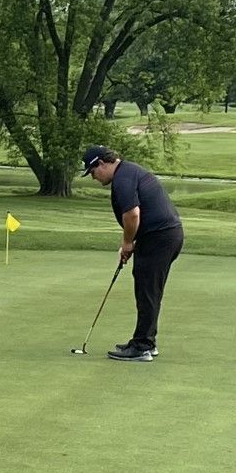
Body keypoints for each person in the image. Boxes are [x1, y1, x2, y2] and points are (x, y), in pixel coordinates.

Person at [80, 145, 184, 362]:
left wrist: (127, 243)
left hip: (160, 237)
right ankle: (145, 341)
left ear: (102, 163)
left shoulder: (122, 179)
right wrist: (131, 241)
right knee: (147, 288)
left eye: (92, 172)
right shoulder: (127, 172)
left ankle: (143, 346)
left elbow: (132, 214)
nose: (93, 178)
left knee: (147, 290)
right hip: (161, 236)